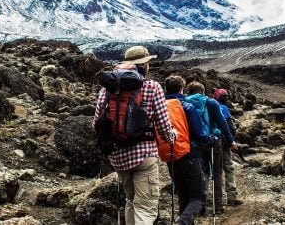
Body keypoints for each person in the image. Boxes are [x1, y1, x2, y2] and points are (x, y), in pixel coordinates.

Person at [93, 45, 176, 225]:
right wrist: (172, 136)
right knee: (145, 207)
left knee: (130, 200)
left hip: (118, 157)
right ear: (144, 65)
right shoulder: (152, 87)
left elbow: (97, 123)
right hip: (144, 155)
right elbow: (163, 125)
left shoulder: (106, 89)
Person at [163, 75, 218, 225]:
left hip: (171, 156)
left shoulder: (162, 107)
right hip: (190, 155)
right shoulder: (187, 106)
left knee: (183, 196)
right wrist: (212, 139)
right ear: (181, 89)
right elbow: (200, 135)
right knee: (197, 197)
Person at [186, 81, 236, 215]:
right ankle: (217, 206)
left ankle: (200, 206)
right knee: (217, 173)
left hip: (197, 143)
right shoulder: (212, 103)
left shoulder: (186, 103)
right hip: (214, 141)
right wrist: (231, 140)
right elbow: (222, 123)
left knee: (203, 173)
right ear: (203, 91)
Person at [213, 88, 243, 206]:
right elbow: (228, 127)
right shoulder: (224, 109)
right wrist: (231, 141)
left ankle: (216, 200)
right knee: (228, 167)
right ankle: (231, 197)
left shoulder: (209, 106)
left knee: (215, 171)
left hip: (213, 142)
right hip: (224, 144)